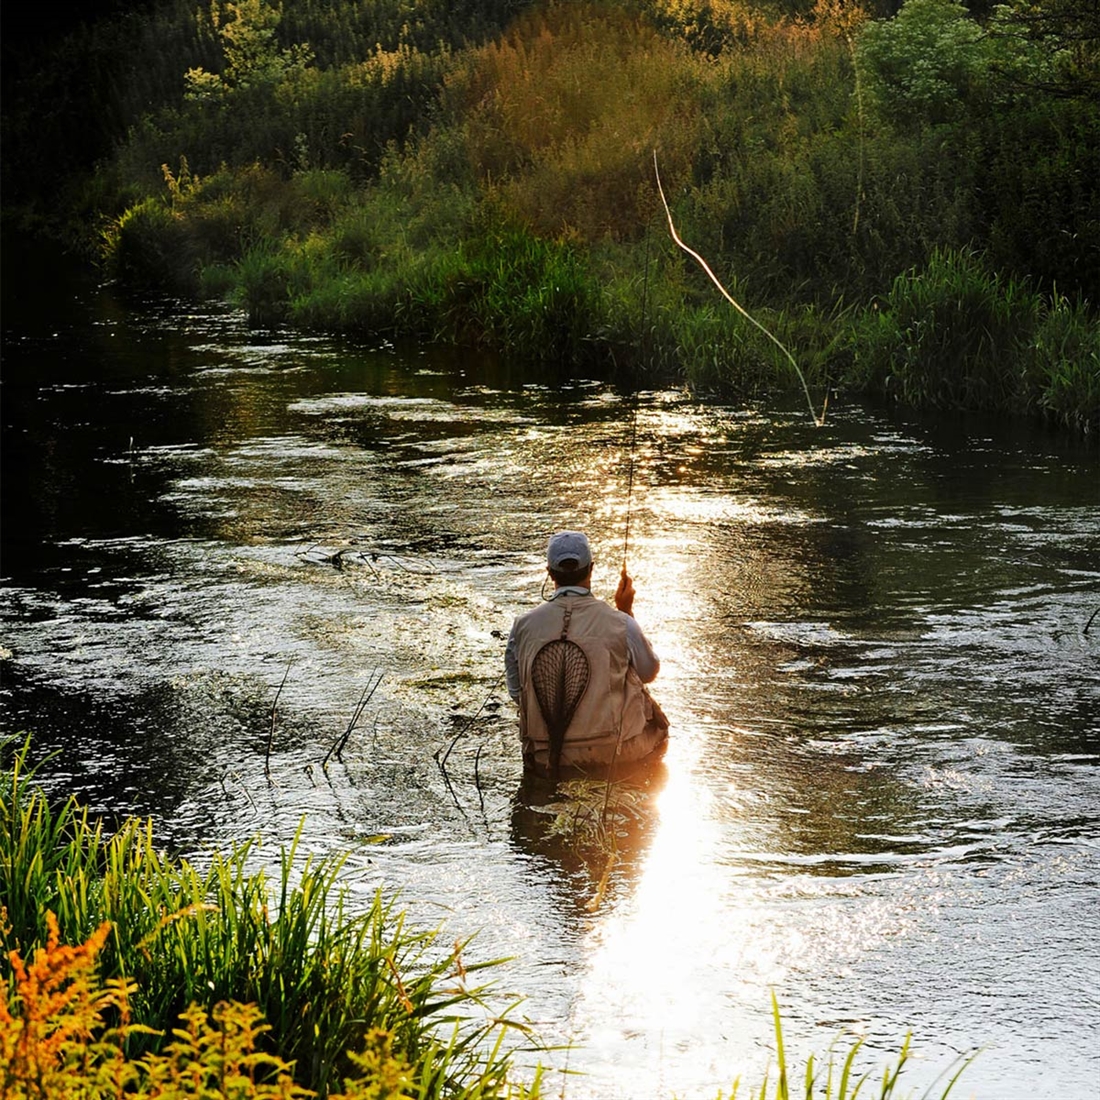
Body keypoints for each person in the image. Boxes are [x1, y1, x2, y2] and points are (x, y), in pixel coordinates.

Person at [505, 531, 669, 779]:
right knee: (661, 727)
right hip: (614, 754)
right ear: (591, 569)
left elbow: (517, 694)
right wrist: (626, 610)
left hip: (543, 756)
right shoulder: (621, 623)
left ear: (549, 572)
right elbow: (649, 672)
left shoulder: (521, 626)